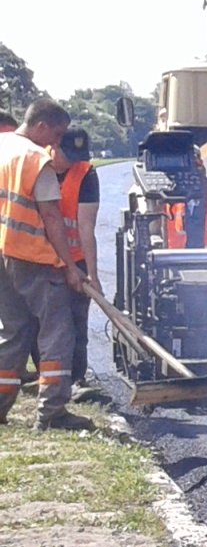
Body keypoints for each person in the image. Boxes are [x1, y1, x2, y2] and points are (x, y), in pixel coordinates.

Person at [0, 98, 89, 430]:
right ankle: (51, 413)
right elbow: (51, 217)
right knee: (57, 332)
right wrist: (69, 266)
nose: (57, 142)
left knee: (14, 332)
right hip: (33, 256)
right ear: (40, 126)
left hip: (2, 253)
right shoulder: (37, 159)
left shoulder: (3, 146)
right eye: (56, 133)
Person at [49, 129, 98, 399]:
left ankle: (77, 378)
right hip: (41, 258)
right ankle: (50, 379)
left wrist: (90, 273)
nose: (72, 162)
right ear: (54, 145)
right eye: (68, 155)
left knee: (77, 321)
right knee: (46, 323)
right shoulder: (36, 165)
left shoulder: (86, 173)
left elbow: (86, 226)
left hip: (76, 257)